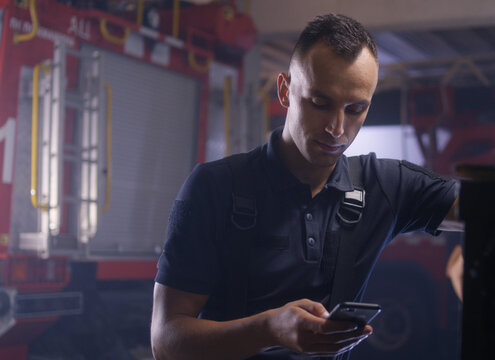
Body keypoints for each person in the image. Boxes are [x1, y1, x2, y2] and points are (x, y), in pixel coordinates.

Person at [150, 13, 462, 360]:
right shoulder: (215, 187)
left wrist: (471, 253)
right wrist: (268, 330)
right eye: (319, 103)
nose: (336, 128)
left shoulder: (384, 186)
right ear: (285, 90)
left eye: (355, 109)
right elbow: (165, 343)